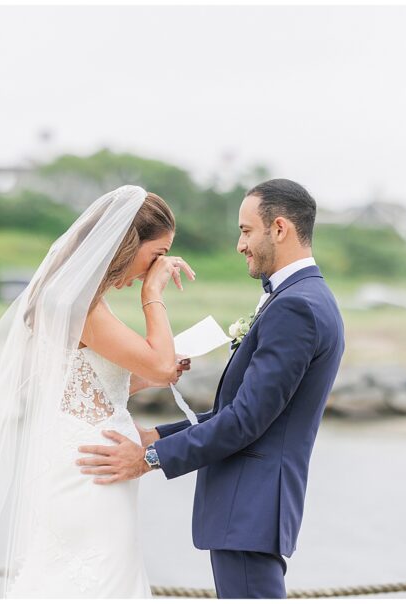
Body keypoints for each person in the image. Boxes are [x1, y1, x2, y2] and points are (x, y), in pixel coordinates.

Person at [0, 185, 194, 598]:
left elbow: (94, 387)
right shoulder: (79, 305)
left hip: (92, 461)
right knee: (95, 580)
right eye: (156, 255)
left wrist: (148, 378)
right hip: (91, 468)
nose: (159, 266)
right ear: (125, 244)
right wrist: (153, 295)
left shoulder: (78, 299)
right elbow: (162, 364)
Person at [76, 178, 346, 598]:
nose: (240, 245)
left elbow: (245, 421)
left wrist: (147, 458)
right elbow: (243, 410)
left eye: (245, 230)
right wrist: (159, 435)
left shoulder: (296, 306)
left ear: (279, 228)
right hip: (250, 511)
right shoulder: (304, 297)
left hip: (250, 509)